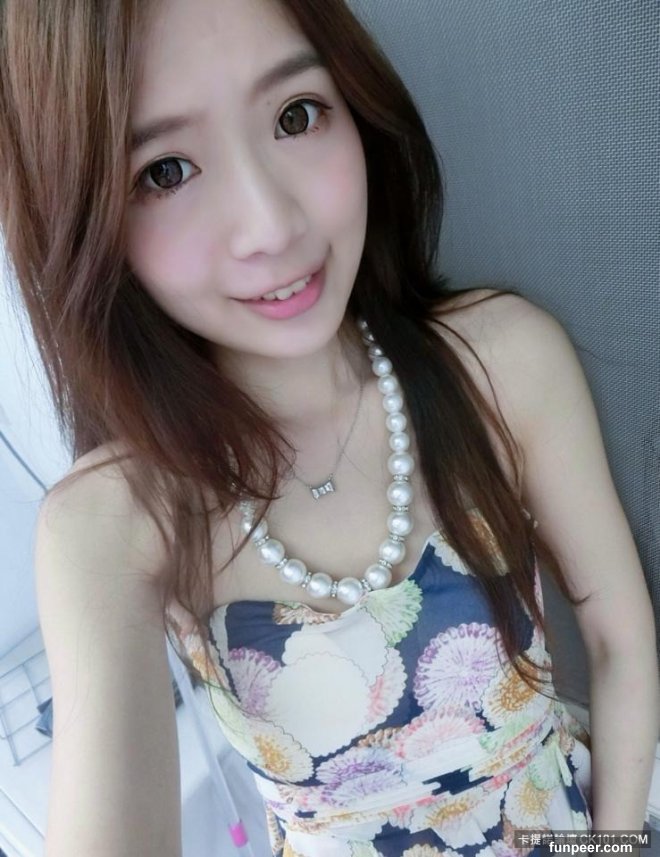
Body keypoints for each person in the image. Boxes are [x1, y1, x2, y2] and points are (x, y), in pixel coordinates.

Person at [0, 0, 657, 854]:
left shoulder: (503, 363)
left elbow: (618, 637)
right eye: (166, 171)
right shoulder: (117, 523)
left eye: (295, 115)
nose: (272, 225)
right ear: (90, 219)